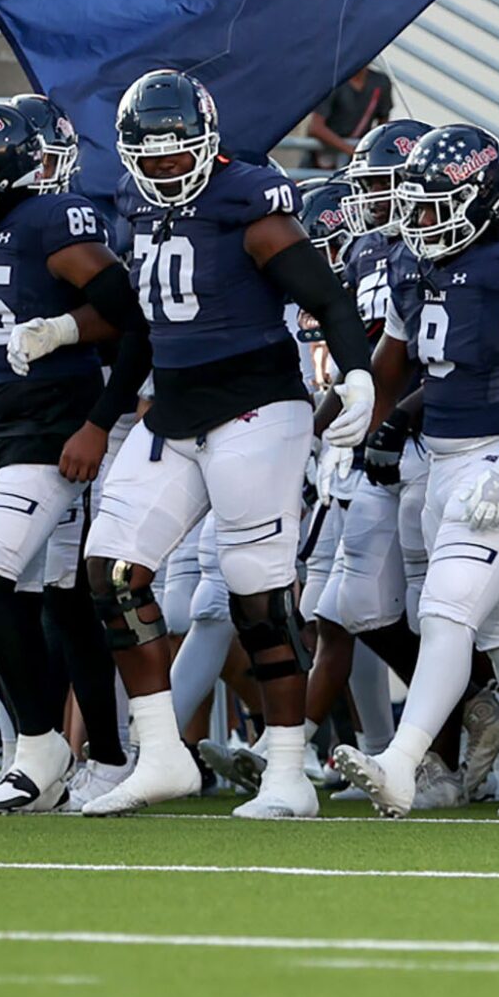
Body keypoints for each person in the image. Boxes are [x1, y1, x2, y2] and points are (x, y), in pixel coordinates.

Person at [71, 68, 373, 817]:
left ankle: (287, 772)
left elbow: (326, 296)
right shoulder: (132, 201)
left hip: (256, 410)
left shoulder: (249, 202)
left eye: (179, 155)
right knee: (109, 571)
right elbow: (143, 325)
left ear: (206, 144)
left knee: (258, 597)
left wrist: (359, 374)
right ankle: (162, 753)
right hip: (172, 413)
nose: (168, 169)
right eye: (154, 158)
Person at [327, 124, 499, 818]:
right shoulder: (411, 265)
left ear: (480, 200)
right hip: (442, 464)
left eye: (433, 206)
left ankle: (402, 761)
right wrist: (353, 415)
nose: (418, 221)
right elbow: (390, 363)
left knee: (444, 612)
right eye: (412, 207)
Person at [0, 98, 138, 814]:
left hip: (52, 432)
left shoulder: (48, 218)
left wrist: (98, 420)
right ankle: (77, 755)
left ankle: (40, 749)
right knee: (39, 604)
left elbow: (132, 317)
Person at [302, 64, 396, 170]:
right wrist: (352, 150)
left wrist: (371, 148)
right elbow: (315, 128)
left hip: (355, 159)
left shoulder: (380, 82)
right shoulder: (333, 80)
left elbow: (383, 123)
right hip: (321, 156)